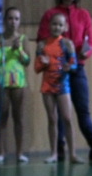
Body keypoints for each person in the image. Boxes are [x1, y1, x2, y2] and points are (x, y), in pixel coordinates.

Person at [37, 0, 92, 161]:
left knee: (82, 109)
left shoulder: (83, 14)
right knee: (59, 112)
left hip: (77, 67)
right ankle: (59, 149)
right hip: (55, 70)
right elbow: (42, 39)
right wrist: (48, 57)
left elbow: (90, 41)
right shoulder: (50, 14)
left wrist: (85, 53)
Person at [34, 13, 82, 164]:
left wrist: (69, 67)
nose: (57, 27)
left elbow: (74, 65)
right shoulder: (42, 45)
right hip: (47, 86)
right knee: (52, 119)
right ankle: (54, 153)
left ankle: (72, 154)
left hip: (62, 85)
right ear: (49, 25)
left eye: (60, 25)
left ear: (65, 27)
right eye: (54, 24)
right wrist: (43, 63)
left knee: (67, 118)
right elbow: (36, 68)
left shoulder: (67, 44)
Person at [0, 7, 30, 163]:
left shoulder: (23, 38)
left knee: (18, 117)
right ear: (5, 20)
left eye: (16, 19)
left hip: (18, 82)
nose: (13, 22)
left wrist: (19, 51)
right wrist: (10, 51)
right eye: (10, 18)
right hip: (2, 82)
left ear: (19, 21)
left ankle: (19, 153)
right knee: (2, 117)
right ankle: (1, 152)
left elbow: (27, 61)